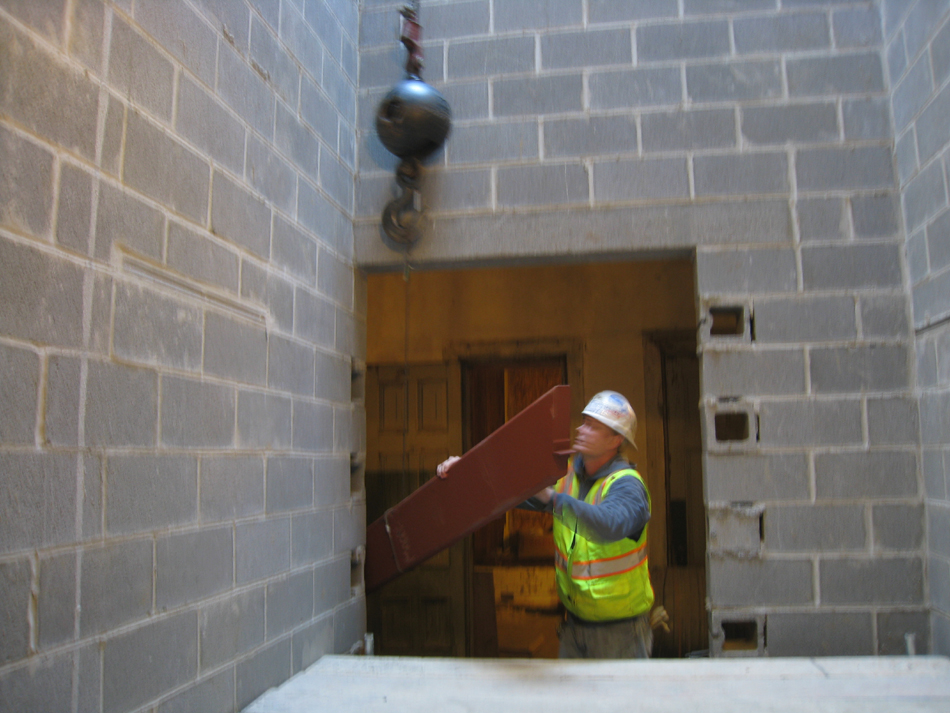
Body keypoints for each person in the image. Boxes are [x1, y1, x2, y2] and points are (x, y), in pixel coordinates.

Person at [437, 390, 654, 659]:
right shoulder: (569, 475)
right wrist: (467, 472)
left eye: (592, 426)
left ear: (616, 439)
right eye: (584, 421)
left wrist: (552, 498)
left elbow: (606, 525)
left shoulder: (627, 486)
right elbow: (517, 495)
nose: (580, 429)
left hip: (621, 633)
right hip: (574, 626)